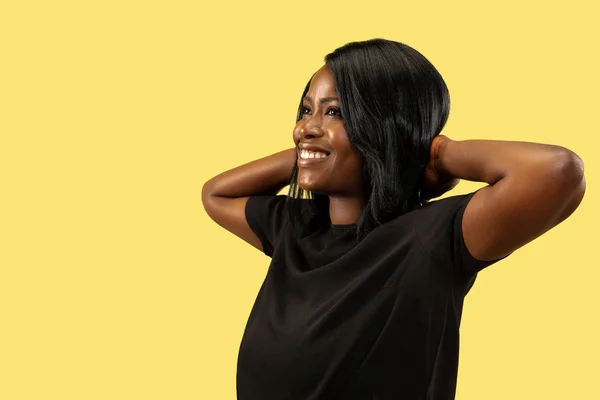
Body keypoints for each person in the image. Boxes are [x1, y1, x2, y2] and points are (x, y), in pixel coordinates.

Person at [202, 38, 586, 400]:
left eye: (334, 111)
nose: (304, 127)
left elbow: (558, 171)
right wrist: (313, 149)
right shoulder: (295, 227)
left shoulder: (429, 239)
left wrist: (434, 153)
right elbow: (216, 193)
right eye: (306, 110)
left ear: (385, 128)